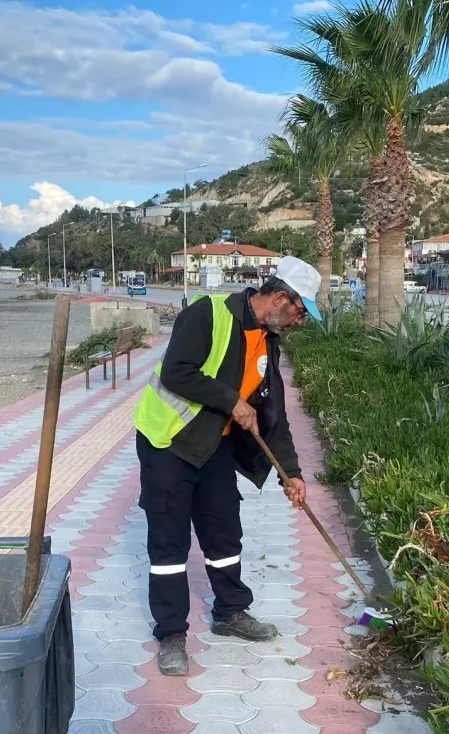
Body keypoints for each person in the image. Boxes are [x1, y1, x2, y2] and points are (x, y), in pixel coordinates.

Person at [133, 256, 321, 675]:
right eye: (299, 311)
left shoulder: (267, 341)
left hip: (213, 448)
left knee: (223, 532)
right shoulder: (207, 314)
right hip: (168, 442)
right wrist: (232, 401)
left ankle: (230, 612)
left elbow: (275, 414)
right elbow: (178, 373)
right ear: (278, 297)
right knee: (169, 544)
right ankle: (171, 633)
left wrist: (292, 473)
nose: (299, 322)